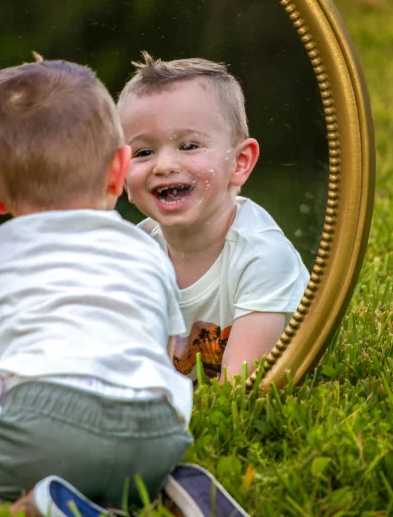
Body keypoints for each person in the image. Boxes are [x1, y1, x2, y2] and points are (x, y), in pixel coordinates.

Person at [0, 60, 193, 515]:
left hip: (44, 416)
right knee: (105, 465)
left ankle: (40, 508)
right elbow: (170, 347)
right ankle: (164, 490)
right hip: (156, 428)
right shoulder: (148, 249)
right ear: (119, 169)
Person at [117, 53, 310, 384]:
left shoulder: (262, 258)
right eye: (144, 152)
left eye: (189, 145)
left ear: (240, 163)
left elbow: (238, 393)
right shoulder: (134, 256)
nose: (163, 165)